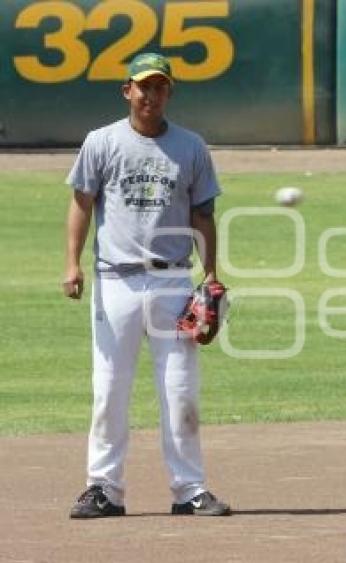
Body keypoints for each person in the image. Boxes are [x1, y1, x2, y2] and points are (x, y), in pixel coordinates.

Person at [63, 52, 230, 518]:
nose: (150, 95)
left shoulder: (191, 146)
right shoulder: (101, 142)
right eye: (142, 86)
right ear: (127, 91)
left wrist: (210, 274)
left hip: (173, 279)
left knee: (180, 389)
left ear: (169, 92)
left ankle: (189, 489)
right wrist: (71, 264)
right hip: (115, 279)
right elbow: (81, 203)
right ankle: (103, 489)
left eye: (159, 87)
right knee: (109, 387)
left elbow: (203, 214)